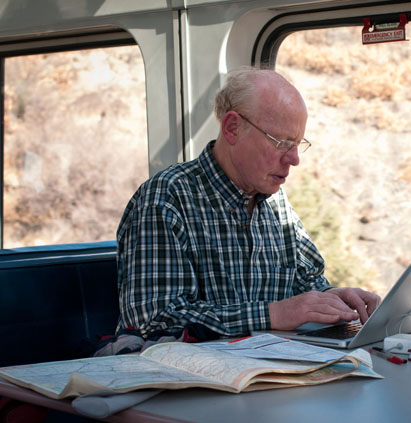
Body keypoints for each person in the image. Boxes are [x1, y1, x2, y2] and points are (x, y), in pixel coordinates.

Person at [115, 68, 380, 341]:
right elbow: (154, 320)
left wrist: (331, 298)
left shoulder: (275, 201)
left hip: (270, 371)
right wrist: (272, 315)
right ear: (233, 128)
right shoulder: (167, 198)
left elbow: (306, 281)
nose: (294, 159)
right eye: (282, 143)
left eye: (298, 145)